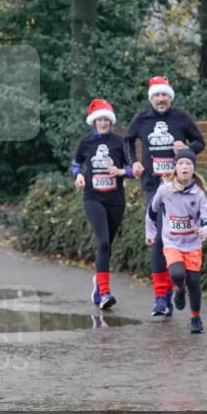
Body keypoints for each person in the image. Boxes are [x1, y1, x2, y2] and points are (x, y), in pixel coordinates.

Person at [125, 76, 205, 317]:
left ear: (170, 97)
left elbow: (200, 142)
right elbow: (128, 141)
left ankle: (178, 285)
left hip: (179, 187)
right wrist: (134, 163)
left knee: (175, 235)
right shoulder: (142, 118)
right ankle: (162, 297)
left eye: (165, 95)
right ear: (152, 98)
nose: (161, 99)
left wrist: (187, 151)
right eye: (157, 96)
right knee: (159, 238)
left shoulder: (181, 118)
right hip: (152, 185)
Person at [144, 149, 207, 334]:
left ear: (193, 169)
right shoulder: (165, 190)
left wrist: (205, 231)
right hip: (172, 242)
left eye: (189, 164)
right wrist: (151, 232)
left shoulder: (198, 194)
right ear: (175, 168)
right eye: (181, 164)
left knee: (193, 281)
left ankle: (195, 317)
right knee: (177, 274)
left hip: (192, 243)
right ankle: (179, 289)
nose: (185, 167)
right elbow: (151, 212)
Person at [71, 98, 134, 310]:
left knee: (108, 245)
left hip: (115, 199)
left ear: (111, 121)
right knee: (104, 242)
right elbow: (75, 163)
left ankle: (99, 283)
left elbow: (133, 169)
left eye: (107, 119)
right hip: (93, 198)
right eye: (100, 120)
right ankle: (105, 293)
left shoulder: (120, 142)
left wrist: (122, 172)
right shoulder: (86, 142)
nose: (103, 123)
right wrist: (78, 175)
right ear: (94, 121)